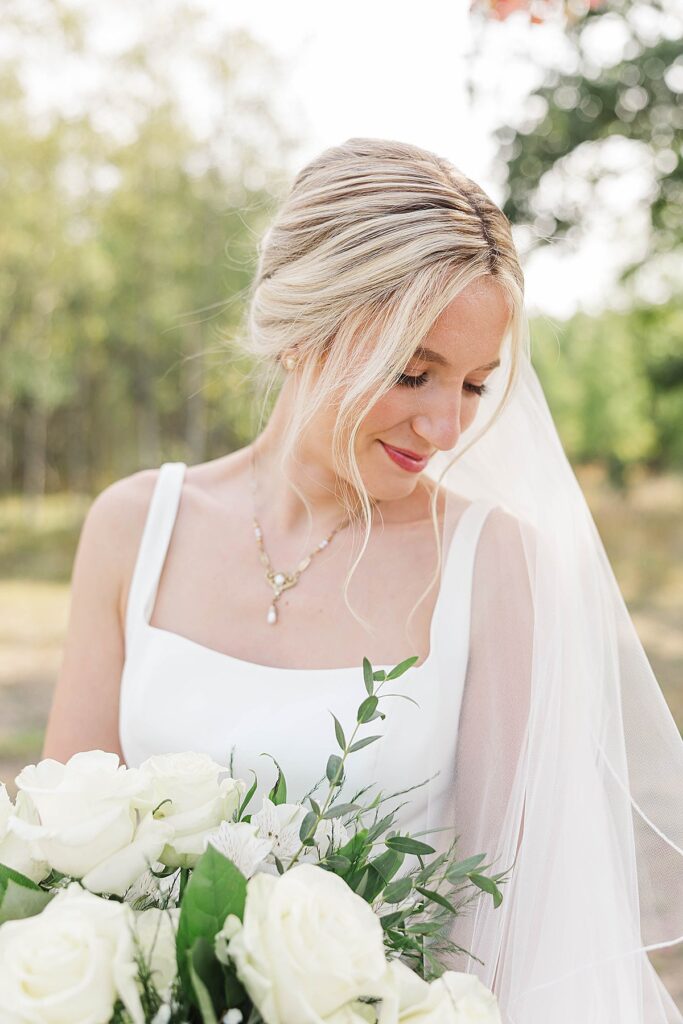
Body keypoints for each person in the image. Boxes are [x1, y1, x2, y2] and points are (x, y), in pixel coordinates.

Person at [42, 138, 682, 1022]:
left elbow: (497, 922)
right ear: (301, 330)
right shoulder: (133, 527)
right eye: (413, 373)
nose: (445, 427)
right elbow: (55, 863)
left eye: (473, 385)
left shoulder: (495, 564)